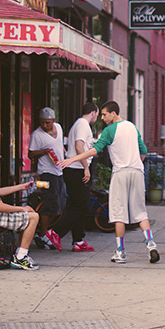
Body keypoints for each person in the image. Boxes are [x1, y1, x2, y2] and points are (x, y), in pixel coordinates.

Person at [59, 100, 160, 264]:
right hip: (137, 171)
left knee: (118, 214)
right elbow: (144, 151)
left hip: (120, 172)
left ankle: (120, 252)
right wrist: (135, 162)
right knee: (141, 212)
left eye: (105, 114)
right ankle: (151, 245)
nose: (102, 118)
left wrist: (72, 159)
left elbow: (94, 149)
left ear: (114, 113)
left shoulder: (109, 131)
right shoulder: (132, 127)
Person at [59, 101, 99, 252]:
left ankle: (78, 240)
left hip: (73, 169)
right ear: (93, 113)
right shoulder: (83, 124)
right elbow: (78, 146)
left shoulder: (78, 123)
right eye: (97, 114)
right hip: (77, 169)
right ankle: (55, 232)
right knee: (82, 205)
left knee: (78, 205)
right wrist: (86, 167)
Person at [28, 107, 67, 251]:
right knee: (51, 203)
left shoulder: (59, 128)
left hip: (59, 170)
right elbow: (31, 154)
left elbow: (59, 145)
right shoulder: (37, 135)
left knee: (60, 203)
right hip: (46, 172)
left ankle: (46, 231)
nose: (45, 126)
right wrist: (44, 151)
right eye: (42, 123)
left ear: (54, 121)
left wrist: (63, 154)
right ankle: (42, 234)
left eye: (48, 123)